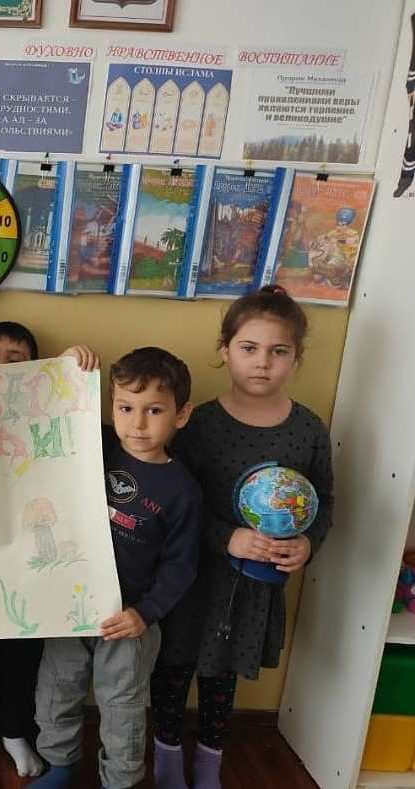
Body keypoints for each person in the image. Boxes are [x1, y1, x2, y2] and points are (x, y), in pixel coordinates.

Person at [151, 286, 334, 789]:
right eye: (249, 348)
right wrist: (225, 537)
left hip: (252, 588)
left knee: (221, 674)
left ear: (296, 357)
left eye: (279, 351)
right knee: (173, 668)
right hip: (191, 579)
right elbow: (172, 503)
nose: (263, 363)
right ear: (224, 349)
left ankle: (209, 765)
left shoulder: (308, 430)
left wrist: (308, 544)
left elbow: (325, 502)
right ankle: (166, 762)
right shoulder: (198, 425)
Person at [34, 346, 201, 789]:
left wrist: (145, 613)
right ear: (110, 406)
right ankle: (59, 766)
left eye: (154, 410)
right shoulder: (98, 444)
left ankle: (121, 781)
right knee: (56, 690)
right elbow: (55, 413)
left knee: (122, 707)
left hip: (130, 619)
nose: (138, 423)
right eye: (126, 408)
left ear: (181, 415)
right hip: (71, 606)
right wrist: (67, 365)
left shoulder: (182, 490)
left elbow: (181, 565)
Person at [0, 320, 99, 779]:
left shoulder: (46, 409)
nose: (1, 368)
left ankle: (14, 731)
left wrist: (69, 370)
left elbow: (80, 427)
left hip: (29, 562)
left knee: (22, 656)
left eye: (15, 360)